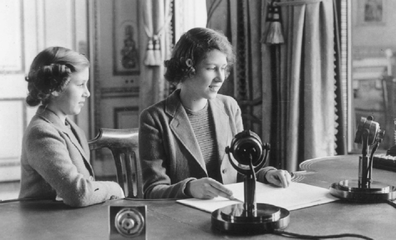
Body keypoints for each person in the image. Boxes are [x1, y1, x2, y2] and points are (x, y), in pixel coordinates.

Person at [139, 27, 291, 199]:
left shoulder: (229, 106)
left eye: (224, 68)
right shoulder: (154, 118)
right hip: (183, 218)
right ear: (188, 68)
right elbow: (152, 191)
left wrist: (266, 174)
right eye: (212, 68)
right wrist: (189, 188)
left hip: (230, 211)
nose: (221, 77)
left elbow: (242, 167)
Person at [19, 46, 124, 207]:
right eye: (80, 84)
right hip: (44, 227)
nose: (87, 93)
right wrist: (114, 188)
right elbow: (78, 193)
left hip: (69, 220)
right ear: (54, 87)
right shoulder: (41, 133)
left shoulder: (72, 128)